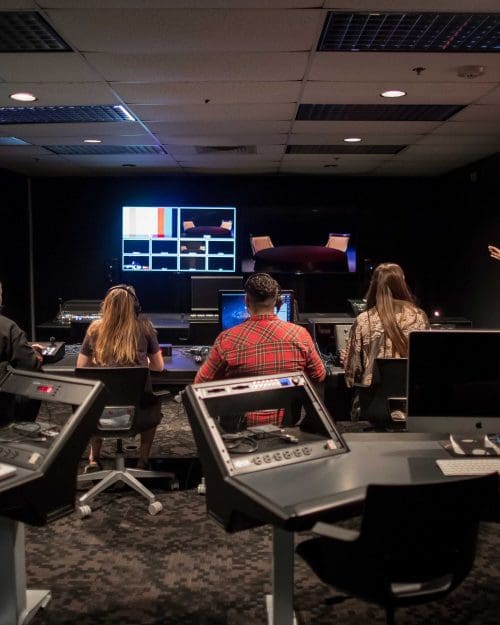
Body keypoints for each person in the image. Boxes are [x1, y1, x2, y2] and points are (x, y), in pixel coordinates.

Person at [194, 272, 326, 426]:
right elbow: (319, 375)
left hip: (239, 431)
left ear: (247, 300)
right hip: (285, 425)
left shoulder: (227, 339)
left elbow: (200, 384)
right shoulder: (300, 335)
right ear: (278, 302)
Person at [76, 284, 164, 471]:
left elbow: (80, 367)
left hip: (99, 415)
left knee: (95, 400)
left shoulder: (94, 330)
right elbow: (159, 366)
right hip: (138, 416)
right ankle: (143, 460)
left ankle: (93, 459)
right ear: (135, 307)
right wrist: (143, 360)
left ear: (105, 306)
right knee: (152, 403)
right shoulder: (145, 328)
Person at [342, 262, 429, 419]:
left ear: (373, 285)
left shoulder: (364, 319)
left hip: (373, 409)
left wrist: (346, 359)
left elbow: (351, 377)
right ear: (402, 283)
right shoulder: (419, 317)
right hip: (411, 407)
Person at [0, 281, 43, 425]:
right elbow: (30, 365)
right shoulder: (8, 327)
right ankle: (20, 431)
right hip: (2, 410)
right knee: (34, 385)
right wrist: (35, 352)